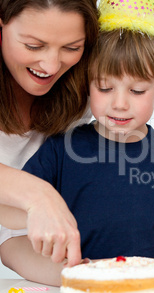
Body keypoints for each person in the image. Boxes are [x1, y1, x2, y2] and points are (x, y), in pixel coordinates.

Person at [0, 0, 154, 288]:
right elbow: (11, 219)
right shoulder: (61, 148)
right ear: (87, 84)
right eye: (104, 88)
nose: (120, 103)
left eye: (137, 90)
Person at [0, 0, 98, 267]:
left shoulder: (87, 95)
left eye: (71, 48)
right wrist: (39, 195)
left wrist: (97, 276)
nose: (52, 65)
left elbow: (11, 234)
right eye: (33, 46)